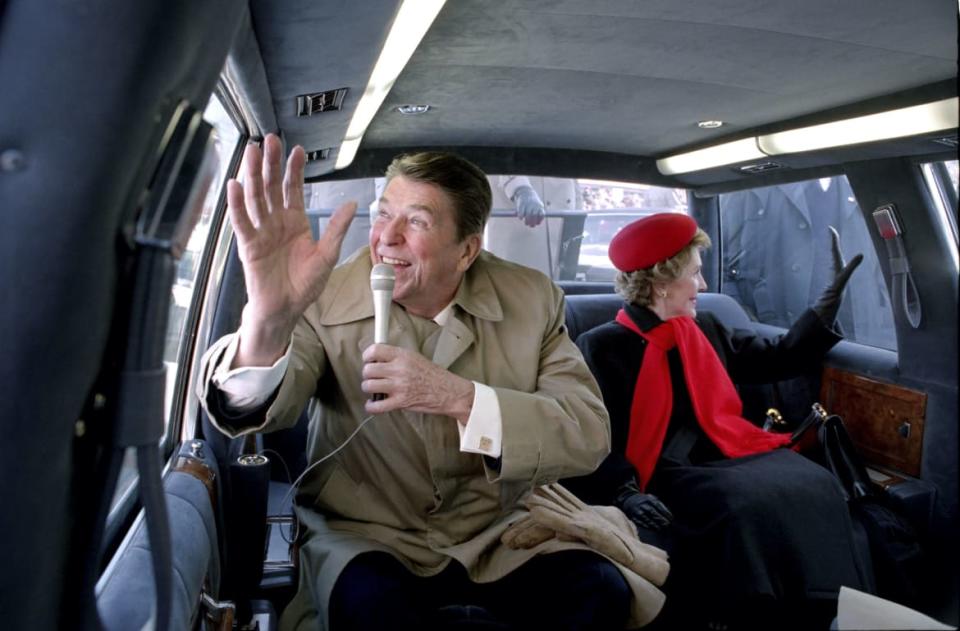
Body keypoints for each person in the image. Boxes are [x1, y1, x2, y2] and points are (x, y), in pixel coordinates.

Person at [197, 134, 666, 630]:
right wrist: (268, 321)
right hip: (365, 532)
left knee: (600, 594)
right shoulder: (322, 295)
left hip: (498, 532)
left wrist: (460, 399)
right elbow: (266, 405)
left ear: (466, 250)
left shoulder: (532, 299)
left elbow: (588, 432)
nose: (387, 237)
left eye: (416, 221)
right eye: (383, 214)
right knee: (370, 611)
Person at [562, 213, 875, 630]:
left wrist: (823, 309)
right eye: (695, 274)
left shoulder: (705, 326)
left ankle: (822, 608)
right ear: (661, 282)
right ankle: (745, 614)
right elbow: (590, 436)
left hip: (724, 453)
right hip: (658, 472)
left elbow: (776, 359)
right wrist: (623, 492)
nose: (704, 286)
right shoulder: (601, 346)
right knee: (744, 505)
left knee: (812, 479)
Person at [721, 177, 895, 349]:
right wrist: (747, 325)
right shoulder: (751, 184)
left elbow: (886, 277)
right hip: (779, 347)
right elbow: (719, 267)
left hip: (858, 348)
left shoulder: (868, 184)